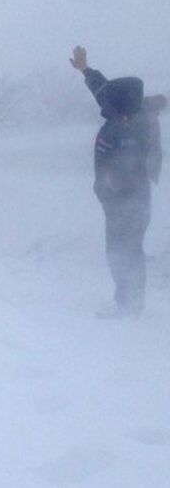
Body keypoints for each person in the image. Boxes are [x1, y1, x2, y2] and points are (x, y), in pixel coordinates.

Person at [70, 46, 157, 318]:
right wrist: (86, 70)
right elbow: (103, 91)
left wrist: (108, 191)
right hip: (121, 203)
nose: (105, 101)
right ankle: (129, 303)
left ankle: (130, 307)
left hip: (127, 203)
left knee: (125, 253)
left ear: (121, 103)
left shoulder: (131, 128)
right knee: (123, 252)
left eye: (112, 99)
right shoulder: (128, 115)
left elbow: (125, 172)